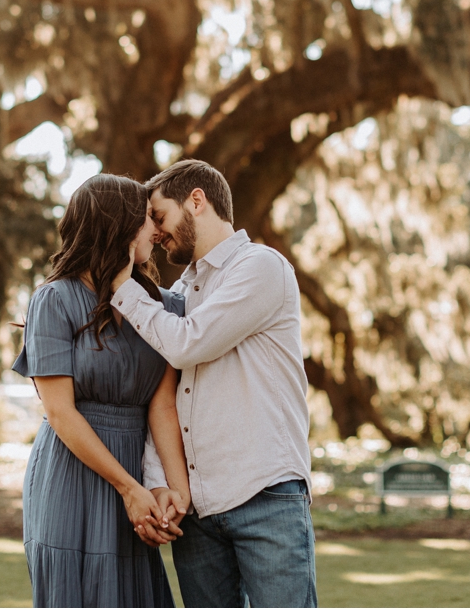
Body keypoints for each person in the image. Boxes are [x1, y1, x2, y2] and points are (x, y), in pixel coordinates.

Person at [110, 159, 317, 607]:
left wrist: (121, 289)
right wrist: (158, 482)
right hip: (197, 511)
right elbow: (162, 398)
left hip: (266, 495)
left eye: (159, 216)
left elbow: (188, 344)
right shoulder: (180, 293)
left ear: (196, 201)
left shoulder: (261, 266)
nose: (156, 232)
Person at [11, 174, 191, 607]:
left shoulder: (166, 308)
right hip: (70, 473)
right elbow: (60, 412)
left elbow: (162, 406)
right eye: (148, 217)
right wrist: (129, 489)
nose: (158, 229)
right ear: (120, 225)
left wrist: (171, 491)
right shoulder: (54, 300)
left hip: (137, 471)